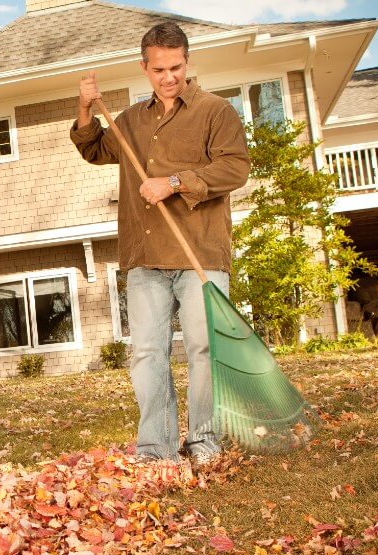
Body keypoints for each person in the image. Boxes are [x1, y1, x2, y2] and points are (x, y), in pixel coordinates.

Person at [69, 21, 251, 470]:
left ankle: (204, 441)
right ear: (144, 68)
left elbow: (235, 169)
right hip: (145, 255)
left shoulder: (215, 112)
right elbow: (92, 148)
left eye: (176, 67)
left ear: (187, 62)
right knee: (147, 353)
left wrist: (174, 183)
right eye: (159, 69)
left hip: (199, 254)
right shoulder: (131, 120)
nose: (168, 77)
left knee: (204, 349)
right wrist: (86, 107)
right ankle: (157, 447)